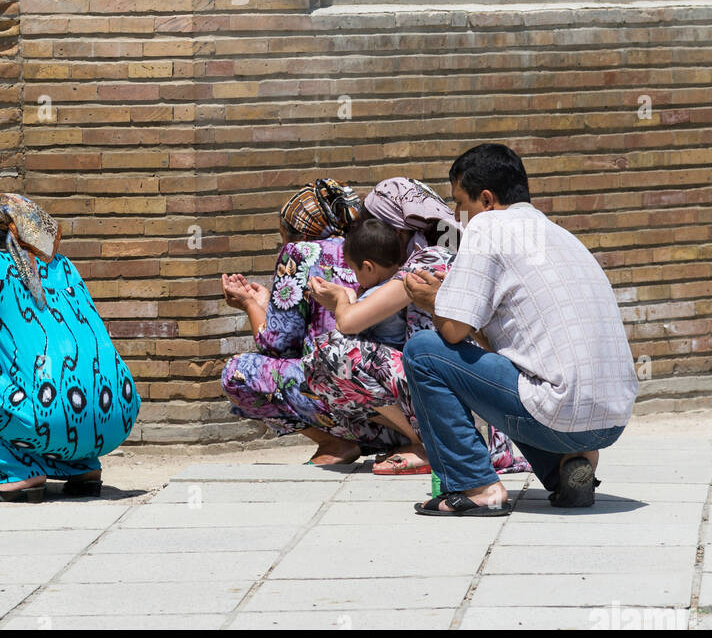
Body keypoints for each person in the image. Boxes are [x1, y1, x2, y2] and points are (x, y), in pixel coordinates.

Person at [402, 143, 638, 516]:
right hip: (611, 421)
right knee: (518, 373)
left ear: (486, 199)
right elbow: (500, 346)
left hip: (560, 411)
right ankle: (566, 470)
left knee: (423, 351)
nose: (455, 216)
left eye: (459, 203)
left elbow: (450, 333)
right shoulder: (560, 235)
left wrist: (434, 301)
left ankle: (476, 487)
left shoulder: (488, 227)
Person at [0, 194, 140, 502]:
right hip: (118, 415)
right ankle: (82, 467)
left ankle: (17, 474)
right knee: (44, 378)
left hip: (51, 417)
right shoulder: (63, 265)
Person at [304, 214, 529, 477]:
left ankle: (428, 443)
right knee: (320, 369)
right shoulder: (414, 269)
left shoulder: (426, 262)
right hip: (462, 382)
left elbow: (349, 324)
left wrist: (342, 298)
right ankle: (422, 439)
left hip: (457, 379)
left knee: (333, 351)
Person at [220, 180, 406, 466]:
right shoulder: (376, 250)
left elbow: (277, 345)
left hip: (346, 403)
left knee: (237, 374)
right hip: (400, 410)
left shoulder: (299, 253)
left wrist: (249, 305)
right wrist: (269, 302)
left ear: (295, 232)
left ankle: (335, 442)